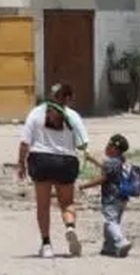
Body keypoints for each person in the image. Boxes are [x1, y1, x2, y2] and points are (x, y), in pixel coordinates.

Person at [17, 83, 90, 258]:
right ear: (69, 98)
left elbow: (24, 143)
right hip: (66, 161)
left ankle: (46, 244)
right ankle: (70, 227)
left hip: (41, 160)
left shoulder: (36, 113)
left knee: (43, 205)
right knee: (67, 203)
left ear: (51, 95)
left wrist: (21, 164)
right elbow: (83, 144)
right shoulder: (72, 116)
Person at [79, 134, 134, 258]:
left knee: (110, 222)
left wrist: (83, 186)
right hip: (123, 198)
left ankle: (121, 241)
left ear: (114, 148)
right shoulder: (122, 162)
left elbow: (103, 177)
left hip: (111, 198)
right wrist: (92, 160)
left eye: (108, 145)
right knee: (114, 222)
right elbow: (106, 169)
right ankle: (109, 247)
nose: (106, 147)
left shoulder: (111, 162)